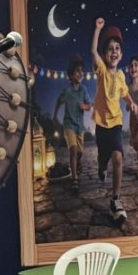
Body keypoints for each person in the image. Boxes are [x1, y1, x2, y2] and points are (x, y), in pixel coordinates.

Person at [90, 18, 136, 223]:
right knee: (104, 159)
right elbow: (93, 51)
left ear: (121, 54)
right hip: (102, 125)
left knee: (117, 158)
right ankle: (101, 168)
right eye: (110, 49)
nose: (114, 51)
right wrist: (97, 29)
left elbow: (124, 93)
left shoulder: (121, 76)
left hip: (116, 123)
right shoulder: (101, 70)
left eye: (117, 48)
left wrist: (132, 103)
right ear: (105, 54)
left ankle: (115, 200)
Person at [53, 54, 92, 185]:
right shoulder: (68, 91)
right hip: (69, 125)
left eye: (82, 70)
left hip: (80, 127)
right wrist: (55, 115)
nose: (80, 73)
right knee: (73, 149)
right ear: (70, 75)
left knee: (79, 152)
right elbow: (59, 101)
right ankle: (74, 178)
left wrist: (85, 106)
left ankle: (77, 162)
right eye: (77, 71)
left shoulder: (84, 90)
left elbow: (89, 105)